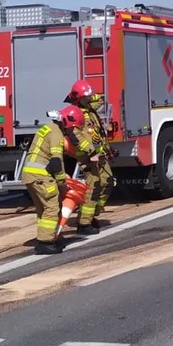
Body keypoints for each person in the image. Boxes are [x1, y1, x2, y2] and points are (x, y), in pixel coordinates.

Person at [21, 105, 86, 255]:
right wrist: (62, 182)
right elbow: (56, 162)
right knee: (52, 206)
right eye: (73, 128)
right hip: (40, 176)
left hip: (30, 175)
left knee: (43, 209)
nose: (72, 131)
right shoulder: (57, 134)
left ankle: (49, 236)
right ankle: (45, 243)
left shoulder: (48, 128)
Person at [65, 79, 115, 233]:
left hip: (99, 155)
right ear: (78, 98)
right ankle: (84, 223)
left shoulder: (89, 108)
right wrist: (92, 153)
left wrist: (107, 150)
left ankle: (92, 214)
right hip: (88, 157)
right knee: (93, 187)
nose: (89, 99)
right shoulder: (75, 114)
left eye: (88, 98)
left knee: (107, 183)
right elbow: (80, 138)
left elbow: (100, 100)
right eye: (85, 98)